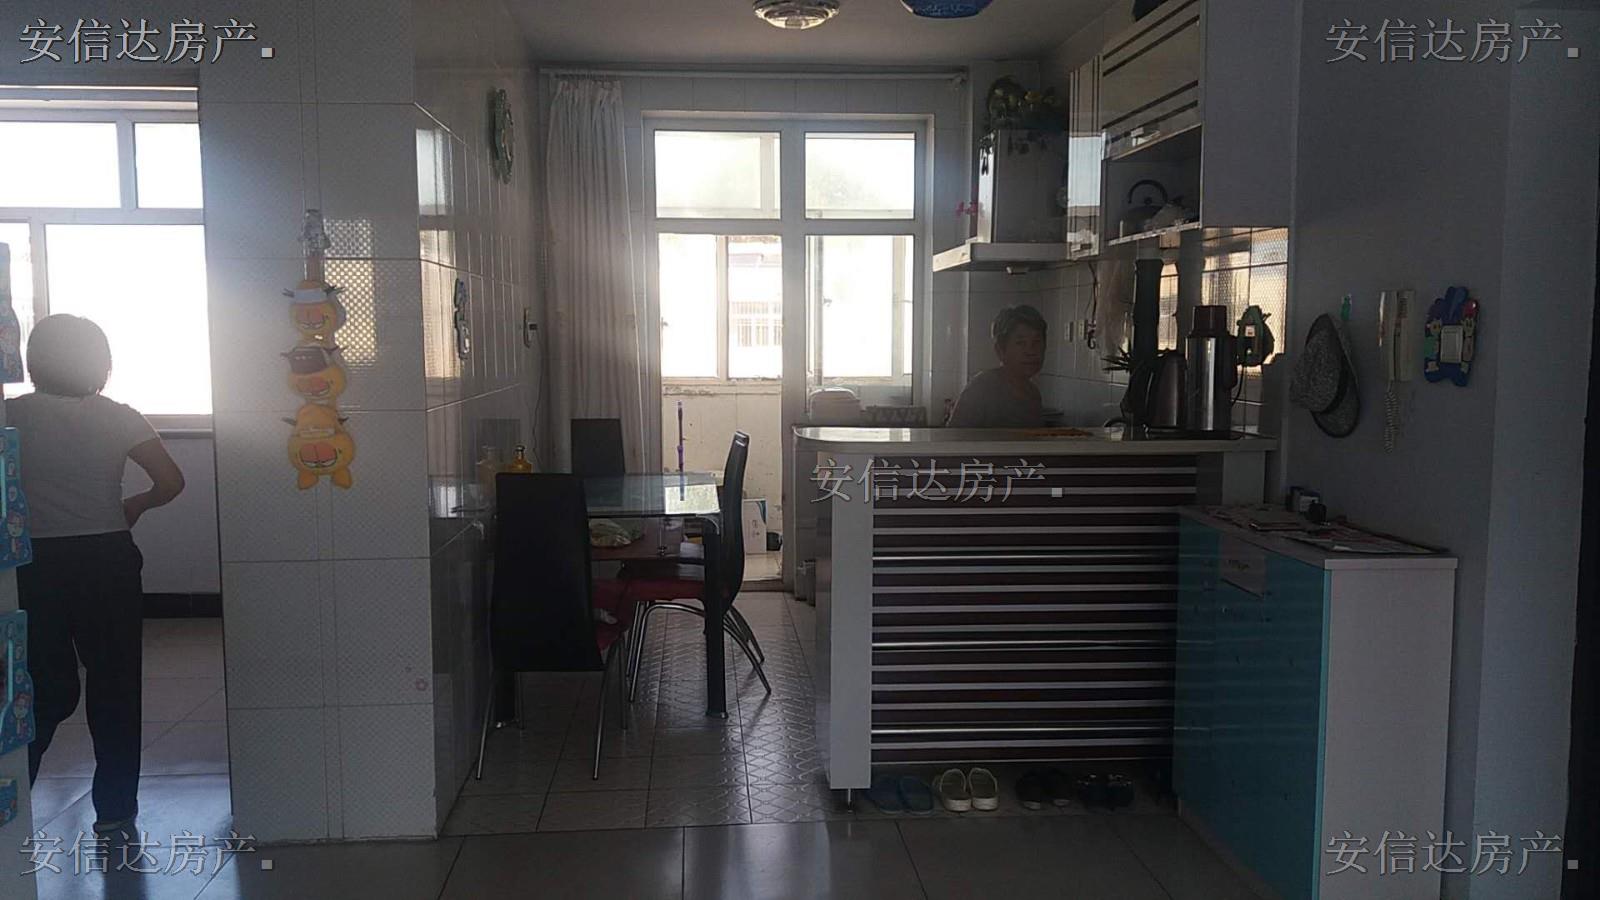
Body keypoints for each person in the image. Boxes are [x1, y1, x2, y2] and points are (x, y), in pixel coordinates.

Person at [7, 314, 185, 842]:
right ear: (99, 362)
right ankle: (114, 809)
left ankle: (14, 792)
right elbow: (171, 480)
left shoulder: (10, 415)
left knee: (42, 686)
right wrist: (136, 505)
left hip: (32, 563)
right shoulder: (120, 417)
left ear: (34, 359)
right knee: (115, 685)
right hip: (107, 560)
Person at [947, 304, 1048, 428]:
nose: (1030, 351)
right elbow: (953, 436)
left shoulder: (1033, 394)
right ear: (1000, 350)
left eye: (1036, 342)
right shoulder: (981, 389)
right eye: (1020, 343)